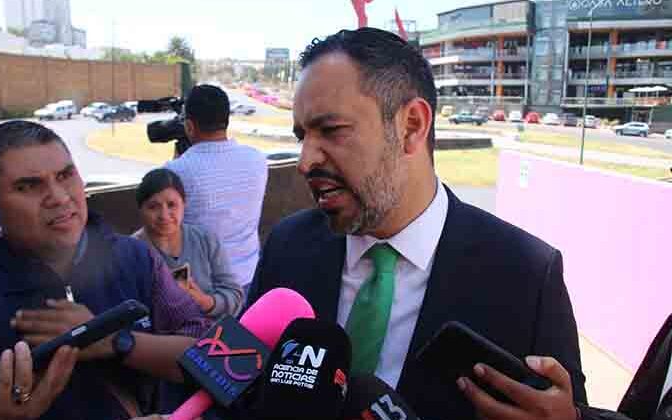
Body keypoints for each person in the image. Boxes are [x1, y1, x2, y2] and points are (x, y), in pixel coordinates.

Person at [246, 28, 586, 420]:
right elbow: (240, 389)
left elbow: (569, 406)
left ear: (411, 126)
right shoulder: (287, 245)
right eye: (302, 136)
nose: (305, 162)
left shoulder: (527, 274)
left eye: (331, 131)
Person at [0, 121, 209, 420]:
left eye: (65, 175)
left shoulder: (136, 258)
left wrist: (117, 341)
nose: (60, 197)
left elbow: (212, 356)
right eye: (28, 186)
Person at [166, 84, 268, 293]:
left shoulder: (176, 171)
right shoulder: (257, 159)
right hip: (249, 279)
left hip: (202, 288)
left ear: (189, 126)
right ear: (226, 120)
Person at [134, 168, 243, 317]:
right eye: (153, 207)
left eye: (172, 205)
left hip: (211, 329)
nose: (164, 215)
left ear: (184, 204)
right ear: (140, 209)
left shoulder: (205, 239)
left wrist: (206, 302)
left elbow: (235, 295)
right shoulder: (132, 251)